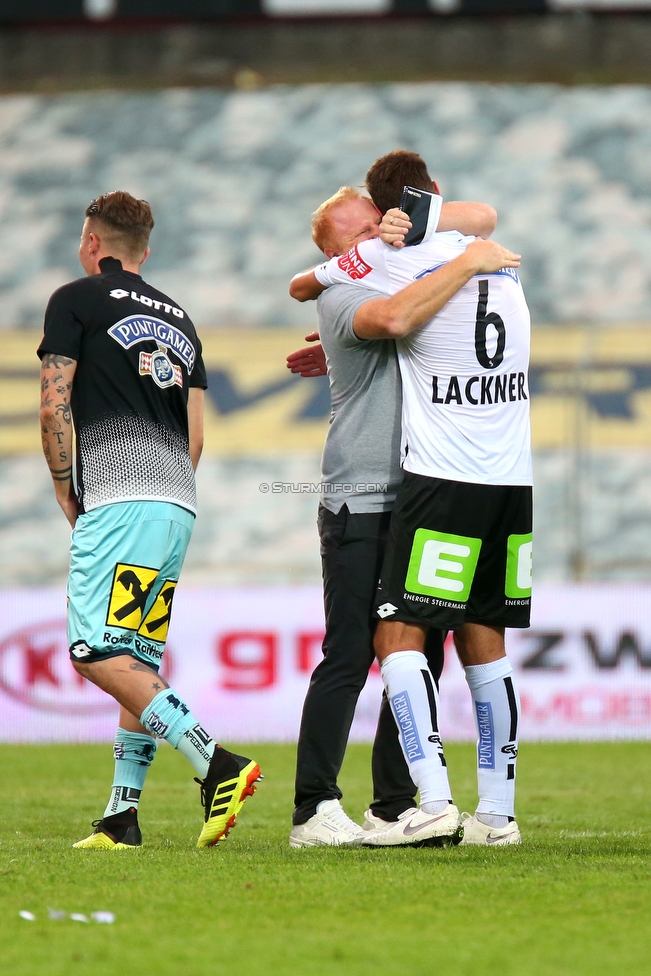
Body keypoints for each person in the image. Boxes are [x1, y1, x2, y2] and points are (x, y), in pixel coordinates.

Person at [293, 150, 531, 846]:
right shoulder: (345, 293)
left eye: (383, 223)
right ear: (339, 250)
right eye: (359, 233)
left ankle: (397, 802)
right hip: (362, 496)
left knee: (419, 651)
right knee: (348, 652)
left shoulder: (407, 267)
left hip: (422, 490)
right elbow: (376, 312)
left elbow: (467, 223)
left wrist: (434, 236)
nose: (379, 236)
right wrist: (471, 258)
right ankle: (313, 806)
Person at [38, 191, 260, 850]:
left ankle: (215, 762)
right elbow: (196, 435)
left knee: (94, 650)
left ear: (91, 243)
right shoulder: (182, 321)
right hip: (175, 498)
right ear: (146, 251)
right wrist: (165, 489)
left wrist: (65, 489)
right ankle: (121, 815)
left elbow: (54, 408)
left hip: (118, 494)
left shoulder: (73, 299)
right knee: (135, 653)